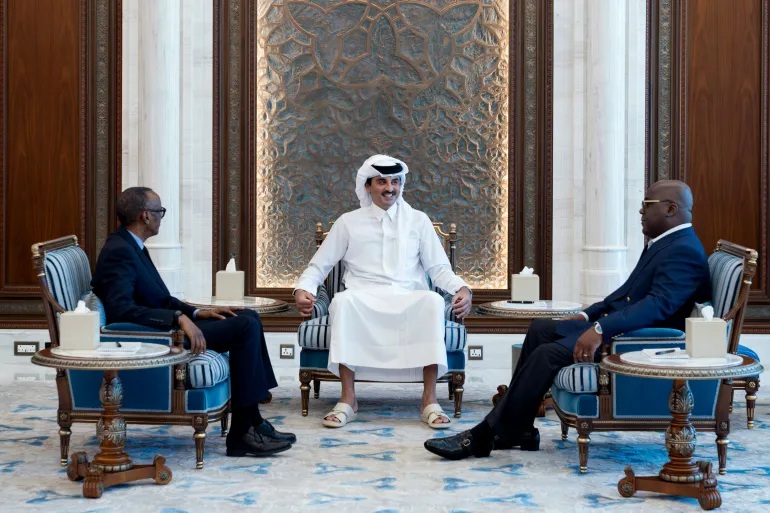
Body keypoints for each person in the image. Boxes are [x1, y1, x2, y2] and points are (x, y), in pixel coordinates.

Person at [424, 179, 711, 460]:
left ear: (670, 209)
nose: (640, 210)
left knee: (547, 354)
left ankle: (485, 435)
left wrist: (601, 328)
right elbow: (625, 294)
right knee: (540, 328)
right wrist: (587, 315)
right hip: (625, 329)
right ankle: (520, 429)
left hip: (642, 343)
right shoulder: (666, 243)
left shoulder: (683, 249)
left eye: (646, 204)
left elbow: (657, 307)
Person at [92, 187, 296, 458]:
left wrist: (198, 313)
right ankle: (242, 433)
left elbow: (162, 298)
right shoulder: (119, 251)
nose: (161, 217)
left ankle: (253, 421)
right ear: (145, 216)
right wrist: (178, 319)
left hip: (168, 328)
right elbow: (121, 310)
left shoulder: (132, 246)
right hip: (158, 338)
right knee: (245, 327)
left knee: (247, 316)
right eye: (159, 211)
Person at [294, 155, 473, 429]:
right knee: (343, 302)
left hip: (408, 296)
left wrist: (462, 288)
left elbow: (438, 268)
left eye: (395, 182)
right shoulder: (348, 222)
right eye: (382, 182)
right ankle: (348, 400)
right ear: (368, 186)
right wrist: (303, 288)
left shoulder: (418, 221)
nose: (390, 188)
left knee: (433, 301)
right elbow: (320, 265)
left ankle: (429, 401)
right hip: (363, 296)